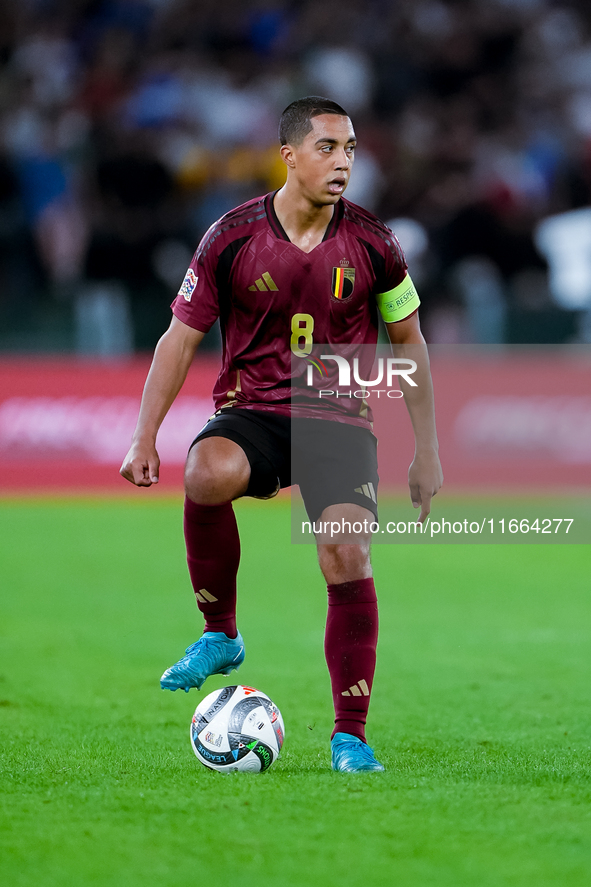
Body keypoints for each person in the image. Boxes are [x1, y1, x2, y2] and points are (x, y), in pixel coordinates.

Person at [120, 96, 443, 773]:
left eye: (351, 148)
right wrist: (144, 435)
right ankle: (220, 633)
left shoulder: (375, 243)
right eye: (328, 147)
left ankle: (349, 734)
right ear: (289, 155)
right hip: (254, 407)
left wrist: (426, 450)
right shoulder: (230, 236)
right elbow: (179, 339)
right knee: (205, 471)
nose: (344, 162)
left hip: (335, 413)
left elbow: (409, 342)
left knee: (345, 553)